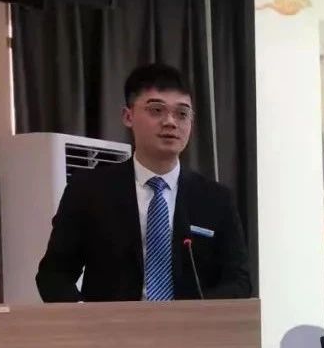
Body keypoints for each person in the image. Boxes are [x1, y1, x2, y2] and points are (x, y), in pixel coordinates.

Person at [35, 63, 251, 302]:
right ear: (128, 116)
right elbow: (54, 275)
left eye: (182, 114)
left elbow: (239, 280)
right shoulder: (88, 190)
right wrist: (83, 318)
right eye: (156, 110)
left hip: (191, 324)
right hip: (112, 324)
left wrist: (196, 315)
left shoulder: (216, 198)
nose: (170, 122)